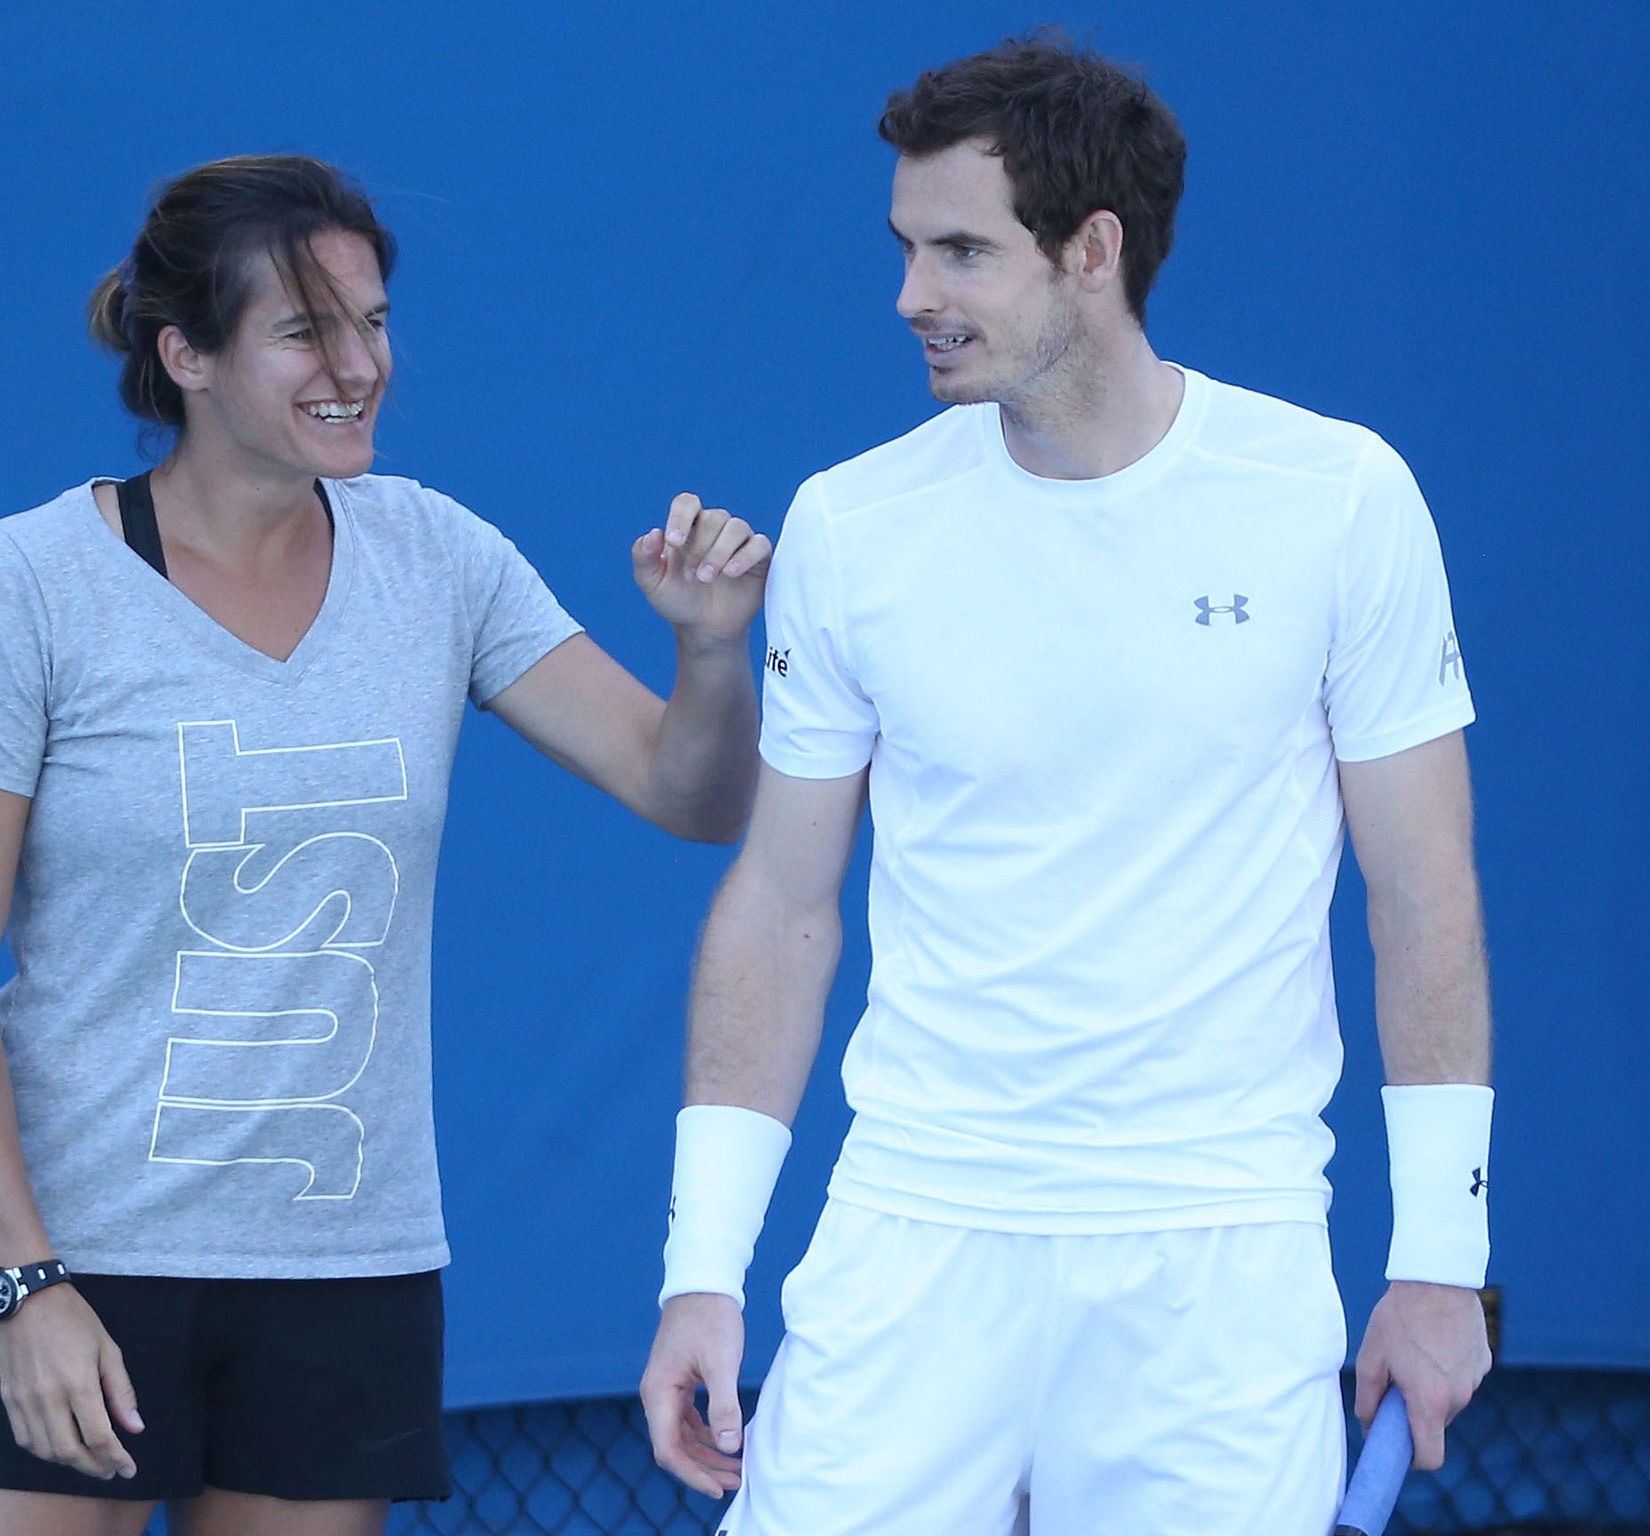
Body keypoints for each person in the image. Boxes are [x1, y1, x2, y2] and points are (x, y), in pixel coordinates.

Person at [640, 34, 1493, 1536]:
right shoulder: (853, 525)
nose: (913, 295)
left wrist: (1438, 1256)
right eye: (907, 248)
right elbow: (780, 905)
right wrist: (701, 1268)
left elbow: (1422, 894)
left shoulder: (1339, 499)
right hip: (912, 1234)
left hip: (1218, 1252)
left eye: (962, 251)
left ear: (1094, 251)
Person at [0, 153, 770, 1536]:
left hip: (347, 1273)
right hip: (77, 1263)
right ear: (185, 353)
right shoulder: (22, 586)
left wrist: (713, 654)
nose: (359, 363)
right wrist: (22, 1281)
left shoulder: (441, 557)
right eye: (306, 329)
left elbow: (691, 796)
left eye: (375, 320)